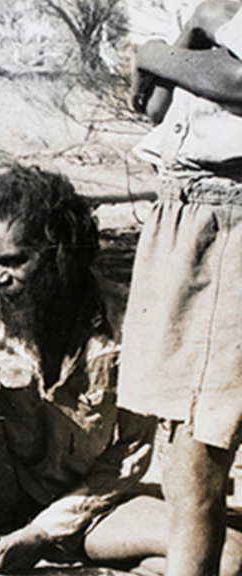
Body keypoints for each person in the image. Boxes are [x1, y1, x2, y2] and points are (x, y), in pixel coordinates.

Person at [0, 166, 242, 576]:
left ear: (61, 253)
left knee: (228, 558)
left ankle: (58, 559)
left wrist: (42, 532)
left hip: (86, 505)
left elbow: (131, 455)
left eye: (15, 261)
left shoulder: (125, 322)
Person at [122, 2, 242, 575]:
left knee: (196, 460)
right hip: (188, 222)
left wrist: (157, 53)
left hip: (227, 229)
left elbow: (240, 81)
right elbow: (152, 104)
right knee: (183, 456)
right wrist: (191, 33)